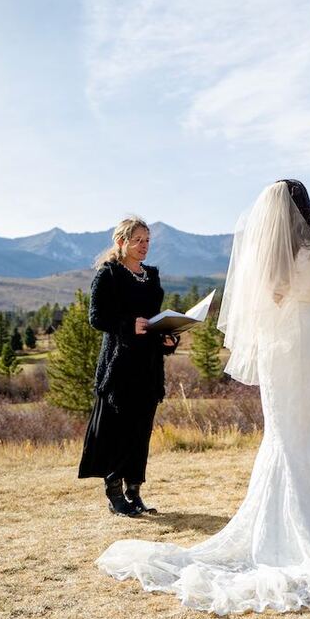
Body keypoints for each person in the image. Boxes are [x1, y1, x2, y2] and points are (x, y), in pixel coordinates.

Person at [96, 180, 310, 613]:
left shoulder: (266, 257)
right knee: (307, 434)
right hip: (307, 351)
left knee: (282, 435)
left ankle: (281, 526)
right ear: (304, 208)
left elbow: (270, 302)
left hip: (278, 354)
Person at [78, 217, 179, 517]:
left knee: (140, 431)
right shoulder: (108, 274)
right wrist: (126, 324)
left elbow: (155, 319)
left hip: (148, 365)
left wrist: (168, 339)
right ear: (122, 242)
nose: (144, 246)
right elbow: (96, 318)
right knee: (118, 430)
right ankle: (114, 492)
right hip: (120, 365)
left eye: (147, 240)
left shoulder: (152, 276)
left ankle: (134, 492)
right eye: (138, 240)